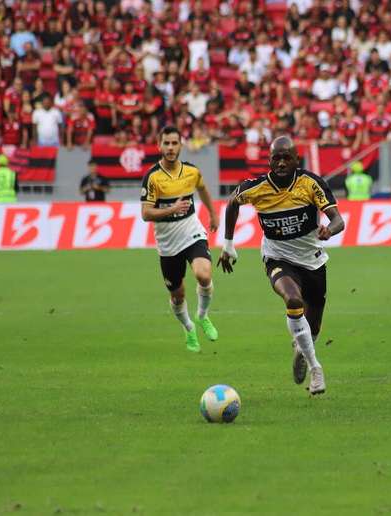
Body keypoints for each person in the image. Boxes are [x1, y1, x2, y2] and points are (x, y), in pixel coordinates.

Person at [217, 136, 345, 395]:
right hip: (278, 258)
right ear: (269, 160)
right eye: (277, 157)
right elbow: (232, 204)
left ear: (297, 159)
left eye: (287, 157)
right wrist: (228, 244)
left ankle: (301, 347)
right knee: (293, 300)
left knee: (314, 325)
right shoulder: (256, 188)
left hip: (312, 260)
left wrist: (328, 231)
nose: (282, 162)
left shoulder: (311, 183)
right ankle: (315, 368)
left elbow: (338, 220)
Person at [140, 126, 220, 353]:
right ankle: (188, 326)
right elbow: (146, 214)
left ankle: (203, 315)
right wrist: (172, 208)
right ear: (159, 145)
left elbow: (203, 189)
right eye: (166, 143)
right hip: (167, 243)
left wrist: (213, 214)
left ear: (181, 146)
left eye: (175, 143)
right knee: (178, 295)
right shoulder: (152, 177)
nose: (171, 147)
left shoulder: (191, 171)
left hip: (191, 232)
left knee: (203, 275)